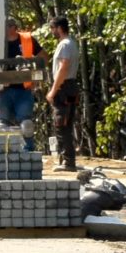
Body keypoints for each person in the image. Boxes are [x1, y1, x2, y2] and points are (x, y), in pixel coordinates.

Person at [45, 15, 81, 170]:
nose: (52, 31)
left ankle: (68, 162)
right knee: (67, 123)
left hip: (64, 88)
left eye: (53, 28)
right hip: (71, 86)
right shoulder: (72, 43)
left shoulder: (64, 45)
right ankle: (67, 159)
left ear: (59, 28)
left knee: (61, 125)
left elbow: (63, 67)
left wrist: (53, 90)